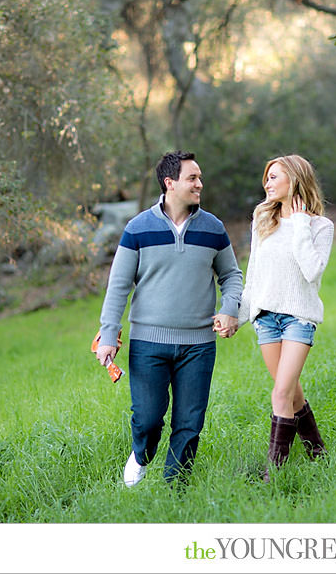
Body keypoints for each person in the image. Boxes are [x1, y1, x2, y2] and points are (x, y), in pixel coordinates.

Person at [96, 151, 242, 487]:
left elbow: (232, 276)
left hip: (199, 345)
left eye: (200, 177)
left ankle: (176, 488)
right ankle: (141, 454)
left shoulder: (213, 228)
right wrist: (108, 335)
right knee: (147, 419)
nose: (200, 184)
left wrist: (230, 307)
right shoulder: (138, 229)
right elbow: (118, 286)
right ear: (169, 183)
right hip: (148, 344)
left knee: (190, 423)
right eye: (193, 178)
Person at [229, 154, 334, 482]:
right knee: (291, 392)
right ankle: (317, 451)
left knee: (280, 393)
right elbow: (254, 277)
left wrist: (301, 224)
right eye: (267, 177)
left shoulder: (320, 226)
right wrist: (238, 317)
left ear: (295, 179)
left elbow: (311, 271)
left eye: (275, 177)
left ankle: (274, 473)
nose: (268, 183)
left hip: (298, 319)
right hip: (267, 319)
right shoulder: (263, 219)